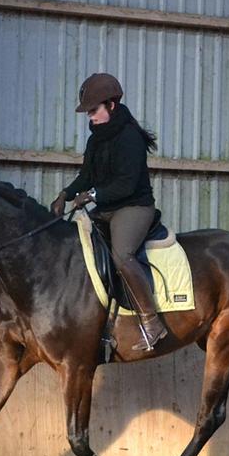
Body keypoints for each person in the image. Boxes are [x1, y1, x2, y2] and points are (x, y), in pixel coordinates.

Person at [50, 72, 168, 352]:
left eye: (94, 110)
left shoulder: (130, 138)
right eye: (88, 112)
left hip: (134, 207)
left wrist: (92, 195)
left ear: (111, 106)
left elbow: (126, 184)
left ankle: (151, 322)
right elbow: (86, 175)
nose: (90, 117)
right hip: (106, 208)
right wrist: (64, 194)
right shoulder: (96, 139)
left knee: (121, 255)